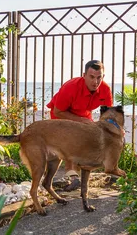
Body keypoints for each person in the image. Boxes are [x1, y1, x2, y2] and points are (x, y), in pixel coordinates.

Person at [46, 60, 113, 191]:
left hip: (83, 114)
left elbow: (108, 116)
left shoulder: (105, 90)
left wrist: (113, 130)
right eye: (92, 77)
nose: (95, 82)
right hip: (61, 113)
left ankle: (81, 171)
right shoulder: (70, 87)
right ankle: (72, 176)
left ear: (103, 76)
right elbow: (57, 111)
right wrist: (81, 121)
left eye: (99, 77)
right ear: (84, 75)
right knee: (72, 140)